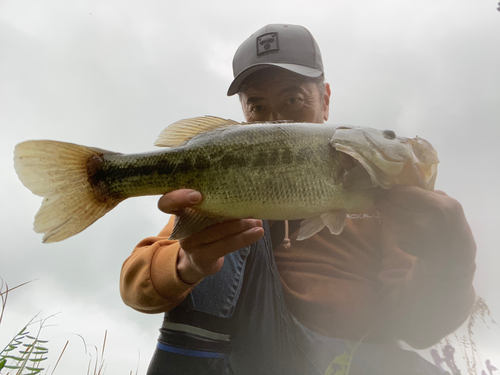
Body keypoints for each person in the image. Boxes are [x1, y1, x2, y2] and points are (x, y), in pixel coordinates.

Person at [120, 24, 477, 375]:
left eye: (293, 99)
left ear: (324, 99)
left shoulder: (391, 199)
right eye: (257, 107)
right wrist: (189, 263)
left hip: (350, 360)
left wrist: (451, 260)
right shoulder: (227, 187)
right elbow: (135, 287)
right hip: (262, 352)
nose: (277, 120)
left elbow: (420, 329)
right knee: (231, 230)